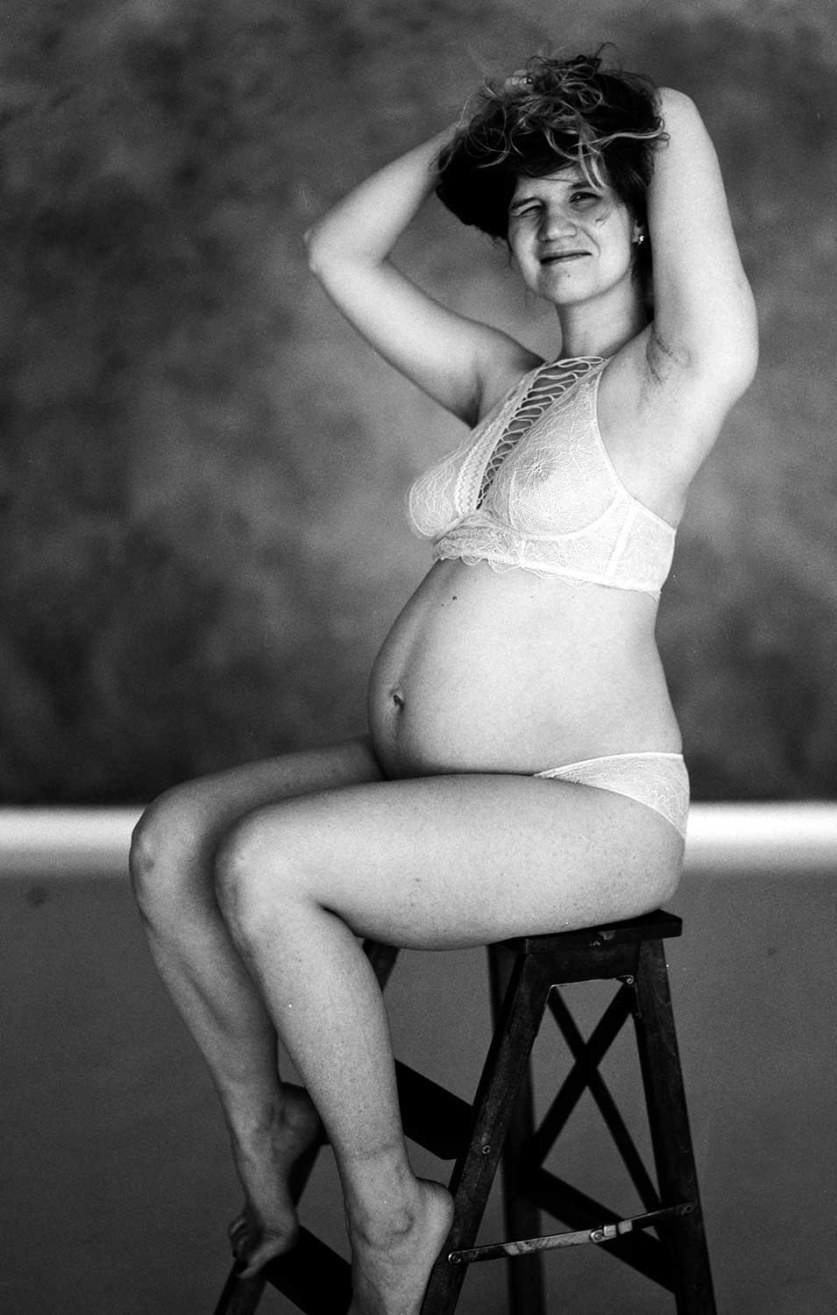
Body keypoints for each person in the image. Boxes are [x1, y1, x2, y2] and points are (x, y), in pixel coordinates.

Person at [129, 51, 757, 1315]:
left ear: (643, 215)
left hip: (588, 804)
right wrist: (479, 138)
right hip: (448, 777)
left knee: (270, 866)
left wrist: (573, 107)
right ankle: (269, 1123)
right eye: (525, 210)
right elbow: (336, 256)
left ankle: (392, 1212)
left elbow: (674, 116)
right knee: (173, 841)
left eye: (585, 196)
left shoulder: (677, 378)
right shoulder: (509, 386)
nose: (554, 224)